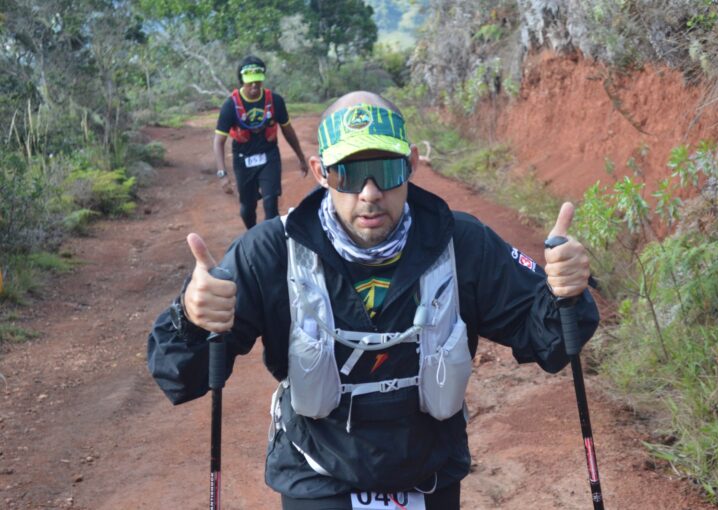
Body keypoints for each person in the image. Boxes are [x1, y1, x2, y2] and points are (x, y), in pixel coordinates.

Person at [148, 91, 600, 509]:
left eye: (385, 170)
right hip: (317, 473)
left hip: (430, 473)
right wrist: (189, 319)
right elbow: (185, 377)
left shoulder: (460, 242)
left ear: (412, 164)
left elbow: (553, 341)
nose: (369, 193)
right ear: (319, 171)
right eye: (347, 173)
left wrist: (565, 293)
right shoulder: (271, 251)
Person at [213, 55, 309, 228]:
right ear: (242, 80)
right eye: (250, 82)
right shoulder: (230, 106)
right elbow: (218, 141)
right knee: (247, 208)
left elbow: (288, 131)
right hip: (243, 159)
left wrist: (301, 157)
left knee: (271, 203)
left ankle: (271, 241)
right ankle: (253, 236)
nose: (254, 86)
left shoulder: (275, 102)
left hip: (269, 155)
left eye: (258, 81)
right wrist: (222, 174)